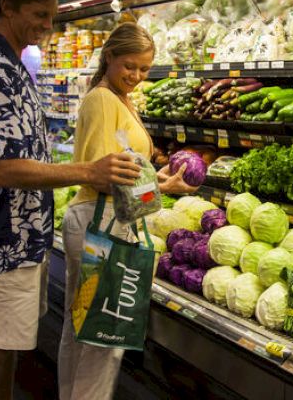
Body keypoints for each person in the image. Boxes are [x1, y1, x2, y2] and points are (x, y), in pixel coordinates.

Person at [0, 0, 143, 400]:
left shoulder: (10, 64)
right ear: (6, 6)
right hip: (3, 236)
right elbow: (1, 167)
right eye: (39, 14)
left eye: (51, 15)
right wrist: (88, 171)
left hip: (19, 236)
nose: (47, 25)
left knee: (6, 346)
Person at [57, 22, 196, 400]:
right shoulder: (104, 99)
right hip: (105, 225)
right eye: (129, 66)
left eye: (144, 69)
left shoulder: (117, 98)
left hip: (95, 220)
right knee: (104, 339)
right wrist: (157, 189)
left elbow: (123, 171)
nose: (136, 76)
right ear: (110, 58)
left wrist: (160, 183)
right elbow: (106, 176)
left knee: (81, 332)